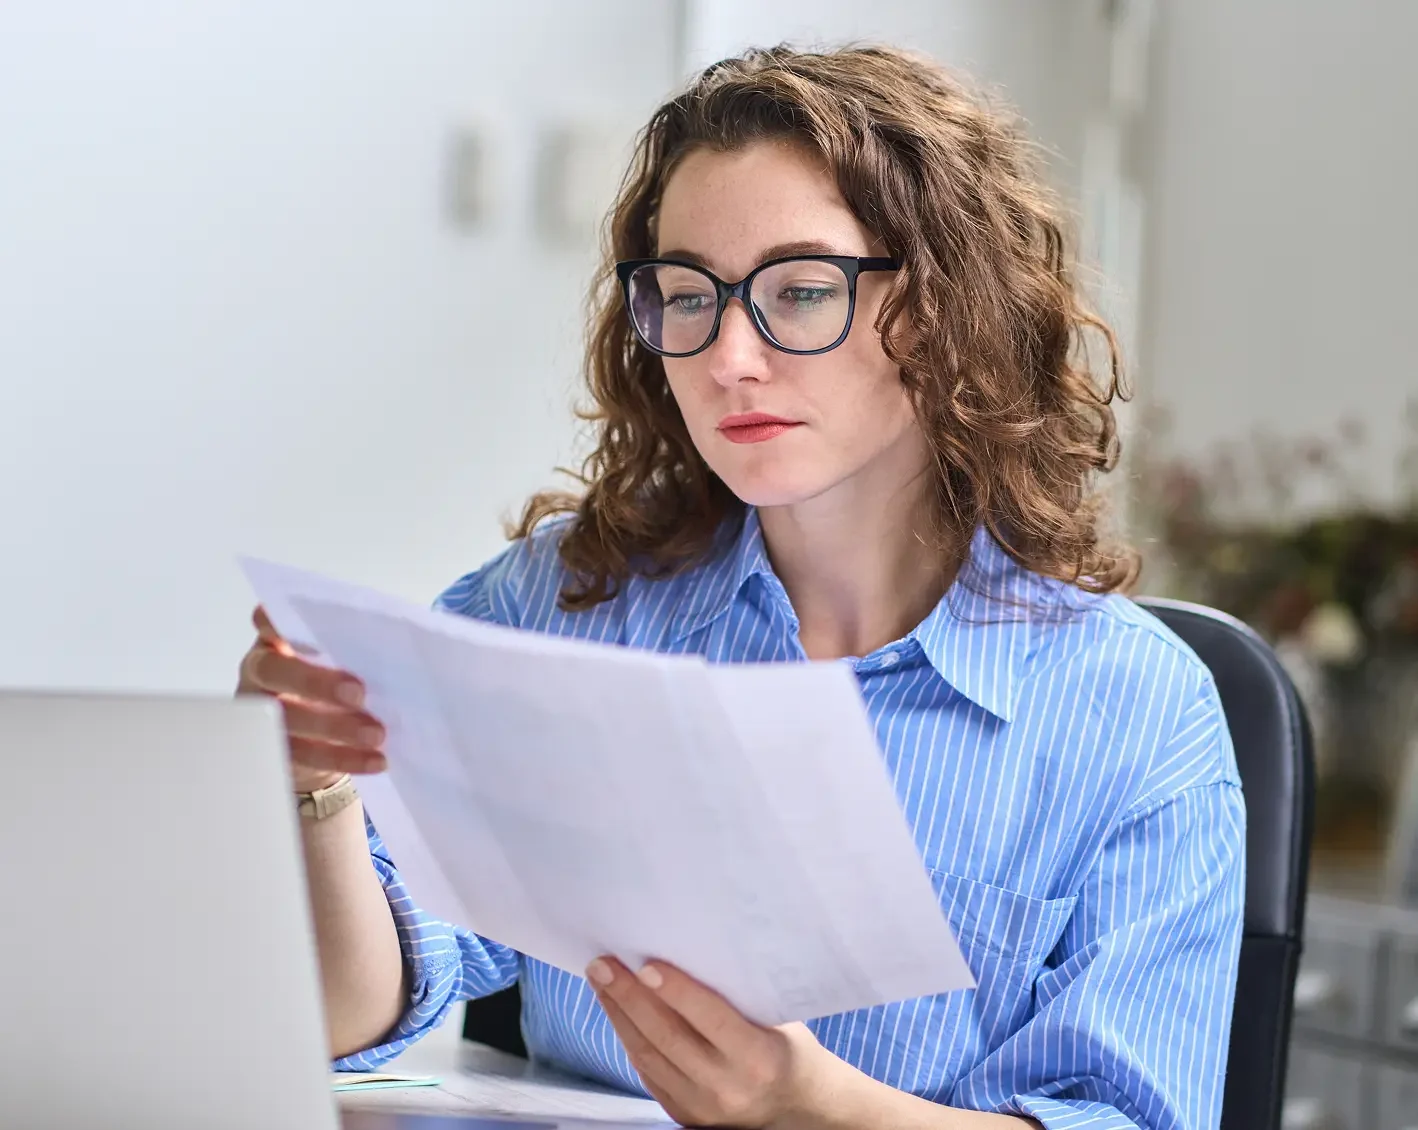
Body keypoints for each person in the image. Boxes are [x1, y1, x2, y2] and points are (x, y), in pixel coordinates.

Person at [238, 45, 1244, 1130]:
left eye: (798, 291)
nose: (727, 358)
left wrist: (808, 1107)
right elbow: (346, 1014)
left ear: (942, 308)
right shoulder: (561, 603)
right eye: (685, 295)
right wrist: (313, 790)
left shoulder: (1141, 714)